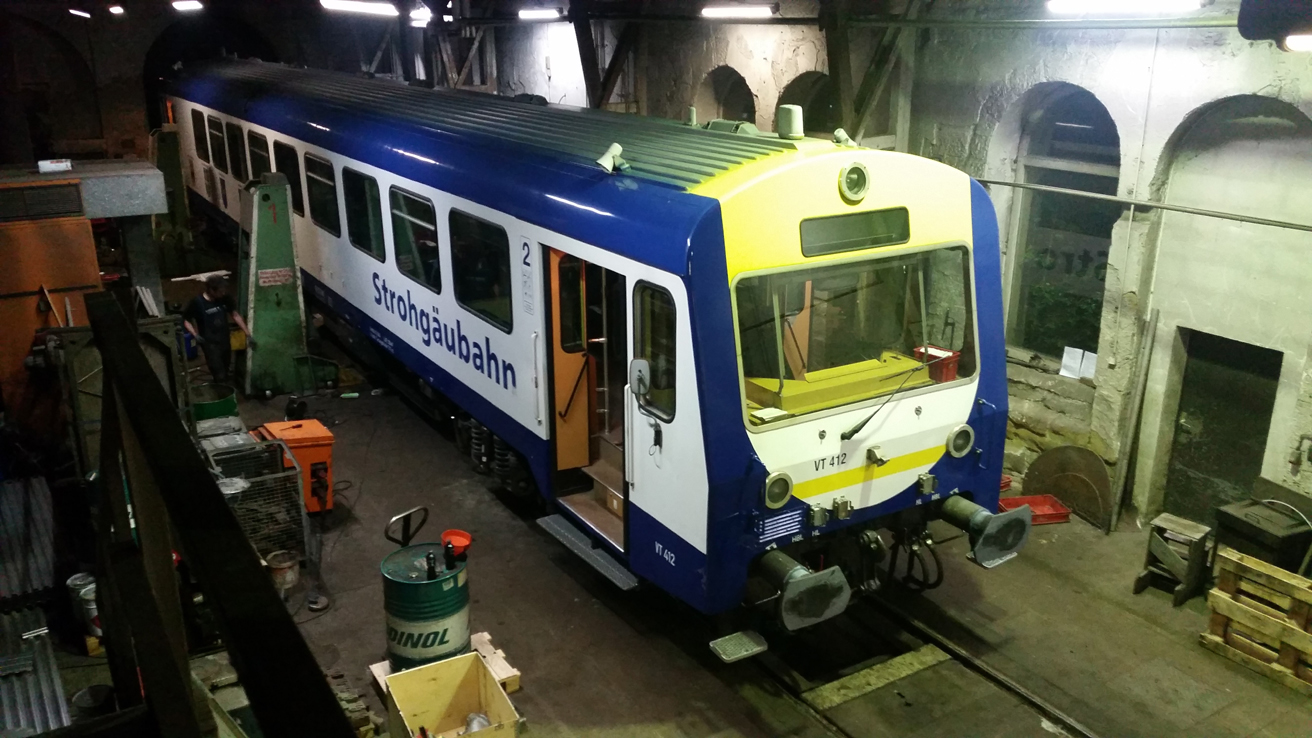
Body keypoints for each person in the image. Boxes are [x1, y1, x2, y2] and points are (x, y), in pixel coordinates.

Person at [183, 274, 252, 384]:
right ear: (211, 290)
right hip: (209, 343)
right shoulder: (198, 302)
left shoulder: (225, 299)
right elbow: (186, 320)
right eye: (220, 291)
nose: (223, 293)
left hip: (224, 339)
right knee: (218, 371)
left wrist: (248, 334)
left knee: (225, 367)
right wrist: (195, 334)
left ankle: (223, 386)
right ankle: (221, 393)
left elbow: (235, 315)